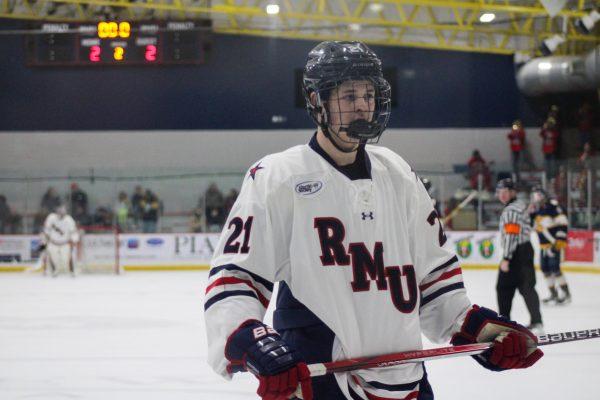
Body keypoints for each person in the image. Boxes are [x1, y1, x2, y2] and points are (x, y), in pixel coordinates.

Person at [204, 41, 543, 400]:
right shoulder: (278, 176)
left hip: (407, 381)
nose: (363, 105)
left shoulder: (398, 173)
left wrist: (484, 333)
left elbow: (435, 287)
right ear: (317, 101)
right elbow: (234, 278)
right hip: (320, 381)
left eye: (368, 95)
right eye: (349, 97)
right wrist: (253, 342)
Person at [496, 178, 543, 334]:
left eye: (505, 192)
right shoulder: (520, 205)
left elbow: (511, 235)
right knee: (527, 287)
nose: (501, 195)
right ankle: (537, 322)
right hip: (525, 249)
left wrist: (507, 258)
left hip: (517, 252)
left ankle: (505, 323)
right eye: (499, 192)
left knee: (503, 288)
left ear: (512, 192)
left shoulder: (511, 210)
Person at [529, 187, 571, 304]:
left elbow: (563, 223)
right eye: (535, 196)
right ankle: (553, 294)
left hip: (553, 243)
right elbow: (533, 225)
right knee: (545, 269)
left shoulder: (553, 206)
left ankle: (566, 294)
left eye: (538, 195)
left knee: (555, 268)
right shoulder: (538, 210)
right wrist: (531, 214)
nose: (536, 198)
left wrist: (559, 240)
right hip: (543, 246)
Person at [42, 204, 80, 277]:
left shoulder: (69, 219)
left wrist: (74, 240)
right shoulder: (51, 217)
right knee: (53, 259)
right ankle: (53, 271)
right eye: (59, 211)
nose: (61, 213)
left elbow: (73, 231)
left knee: (66, 260)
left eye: (63, 211)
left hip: (65, 243)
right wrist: (45, 239)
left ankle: (71, 271)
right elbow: (46, 229)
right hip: (53, 242)